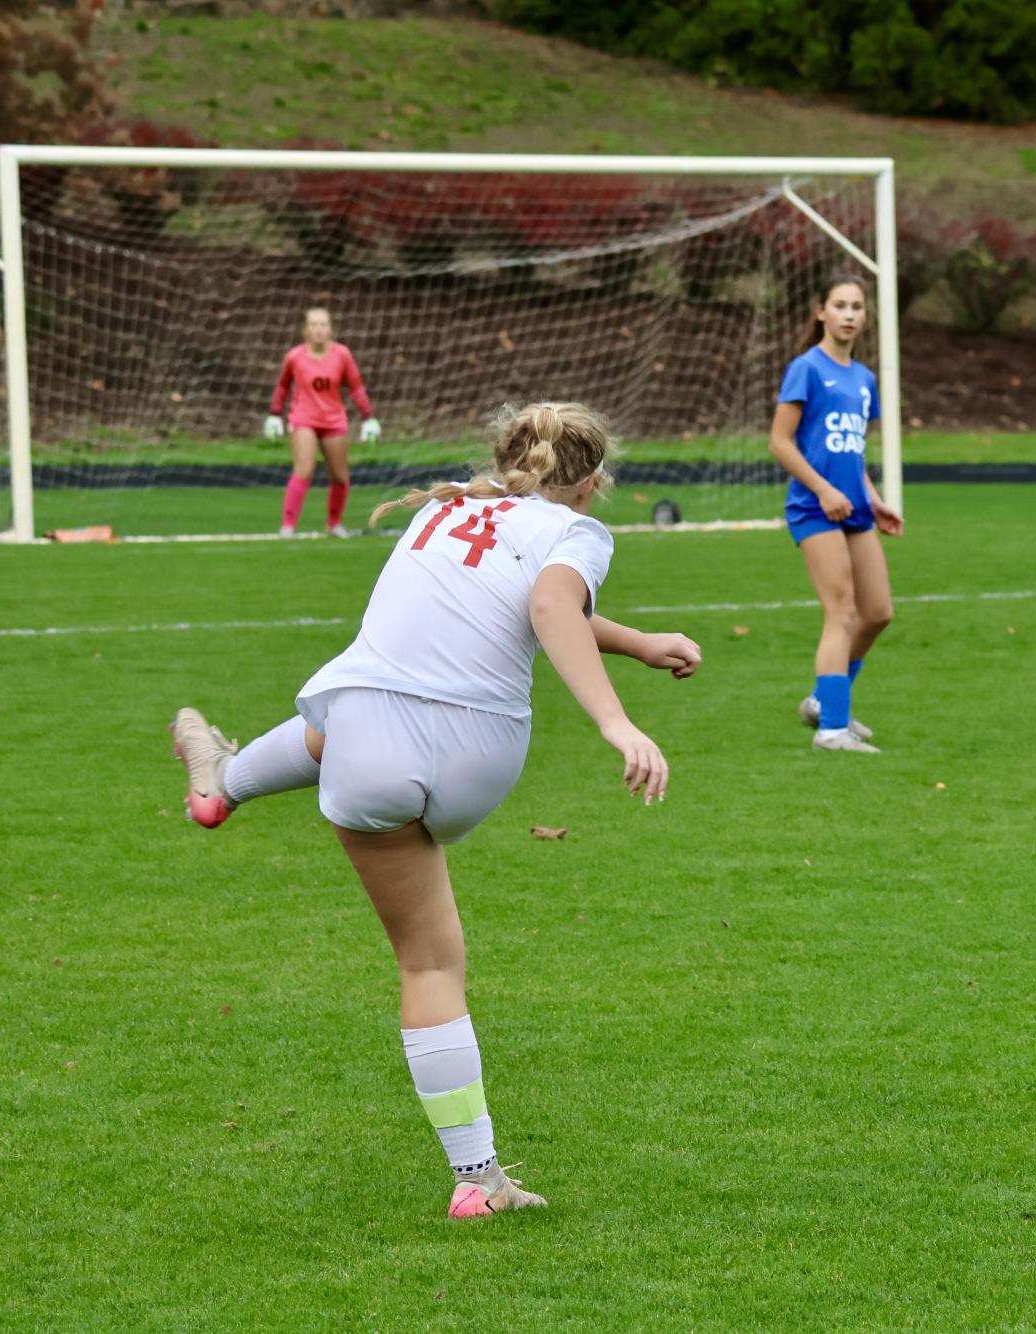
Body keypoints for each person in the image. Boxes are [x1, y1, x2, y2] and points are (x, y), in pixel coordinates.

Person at [169, 402, 701, 1219]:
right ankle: (223, 780)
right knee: (356, 750)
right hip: (477, 756)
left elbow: (524, 604)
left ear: (505, 457)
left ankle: (226, 782)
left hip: (369, 747)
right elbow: (552, 606)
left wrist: (632, 643)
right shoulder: (579, 531)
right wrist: (615, 718)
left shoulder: (444, 506)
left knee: (417, 939)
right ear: (592, 483)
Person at [770, 272, 903, 753]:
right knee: (841, 613)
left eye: (857, 307)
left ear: (866, 316)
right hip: (814, 506)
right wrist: (824, 489)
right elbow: (780, 442)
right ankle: (832, 731)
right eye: (840, 305)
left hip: (854, 508)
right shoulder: (806, 368)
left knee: (878, 613)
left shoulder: (864, 379)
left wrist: (874, 497)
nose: (849, 314)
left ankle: (825, 701)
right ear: (821, 311)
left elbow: (852, 452)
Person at [266, 307, 380, 538]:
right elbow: (282, 386)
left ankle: (334, 524)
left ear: (331, 329)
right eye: (313, 325)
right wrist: (274, 414)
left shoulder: (342, 355)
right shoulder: (295, 357)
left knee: (340, 475)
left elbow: (356, 387)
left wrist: (368, 417)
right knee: (304, 468)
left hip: (334, 419)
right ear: (305, 330)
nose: (318, 329)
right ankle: (287, 526)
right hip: (303, 419)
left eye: (323, 324)